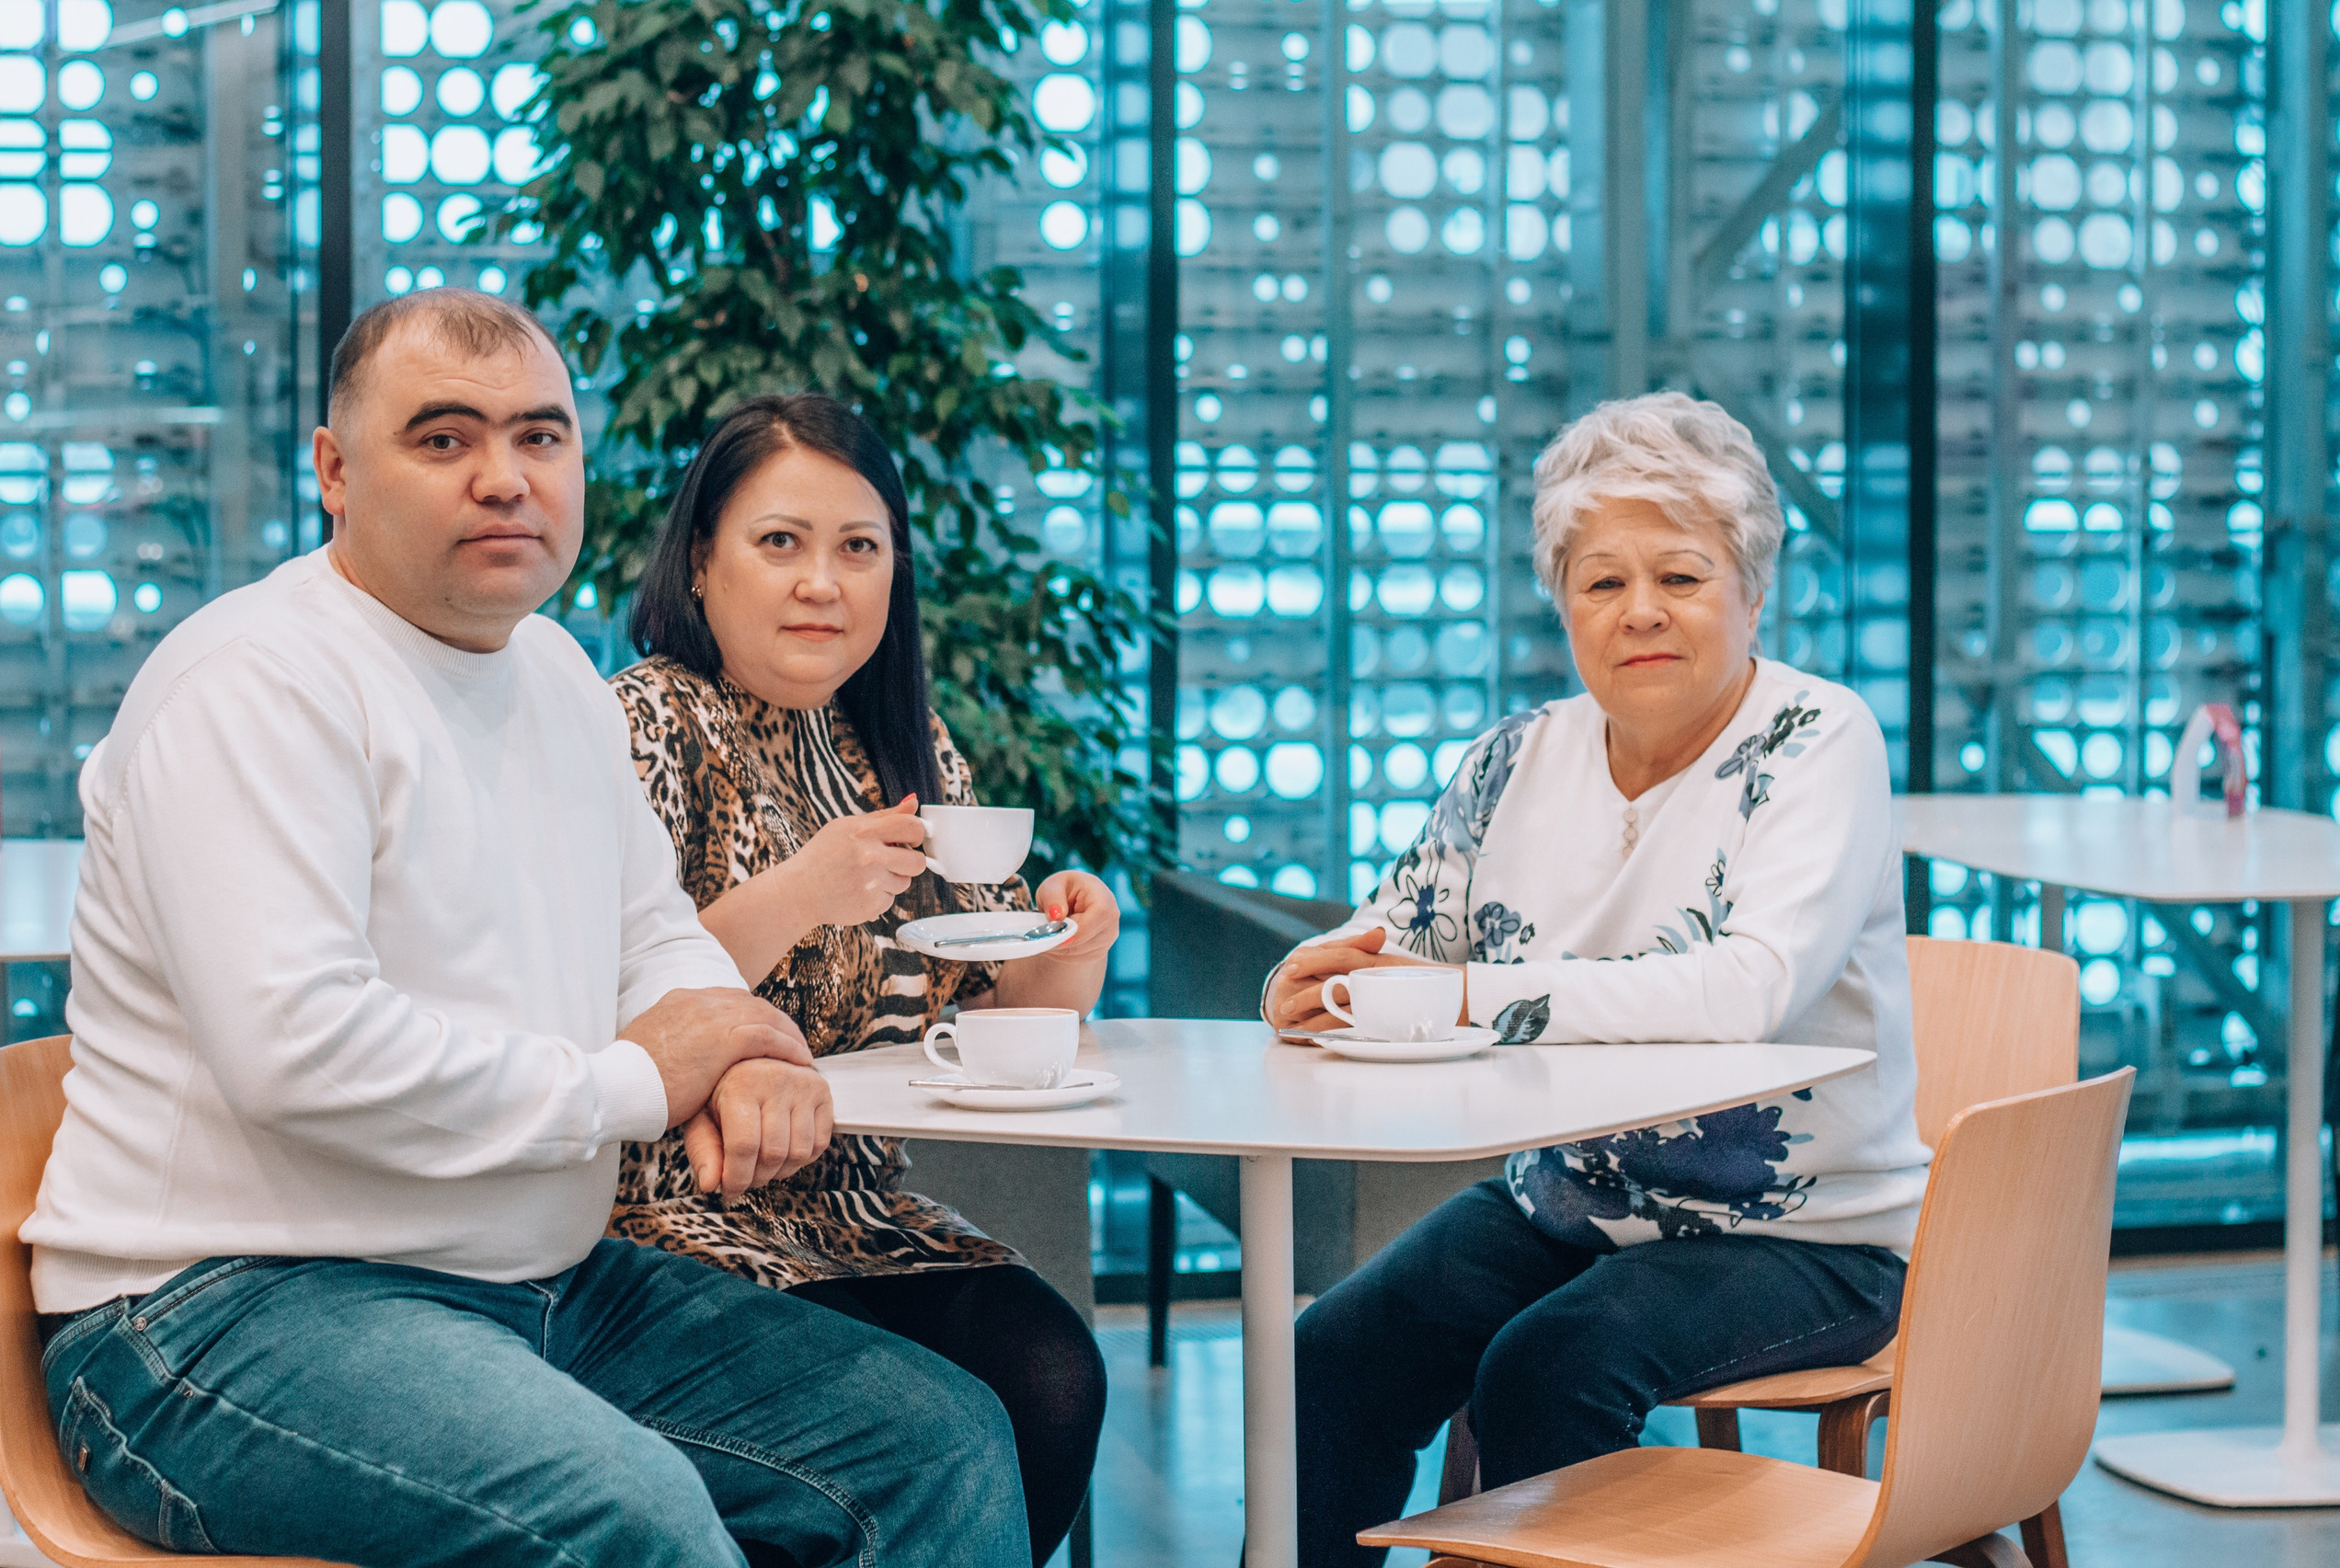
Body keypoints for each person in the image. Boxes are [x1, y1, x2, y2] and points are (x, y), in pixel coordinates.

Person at [21, 292, 1029, 1568]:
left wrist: (749, 1044)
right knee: (630, 1516)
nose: (504, 479)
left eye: (540, 439)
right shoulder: (257, 683)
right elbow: (302, 1049)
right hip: (223, 1309)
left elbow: (650, 931)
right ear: (335, 470)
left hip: (537, 1281)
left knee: (935, 1440)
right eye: (443, 441)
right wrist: (638, 1077)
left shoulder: (548, 670)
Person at [1265, 392, 1931, 1566]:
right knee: (1333, 1353)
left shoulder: (1819, 740)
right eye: (1602, 582)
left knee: (1549, 1363)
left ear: (1750, 589)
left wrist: (1478, 996)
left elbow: (1748, 992)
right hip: (1569, 1199)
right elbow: (1401, 942)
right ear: (1563, 603)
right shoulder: (1515, 758)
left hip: (1804, 1233)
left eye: (1680, 576)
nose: (1641, 613)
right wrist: (1314, 983)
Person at [608, 392, 1116, 1566]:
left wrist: (1069, 950)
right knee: (944, 1423)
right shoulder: (644, 723)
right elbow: (610, 996)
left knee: (1051, 1372)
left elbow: (992, 1003)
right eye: (779, 543)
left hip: (861, 1210)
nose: (821, 583)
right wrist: (801, 888)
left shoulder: (895, 742)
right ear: (700, 560)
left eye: (858, 548)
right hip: (668, 1222)